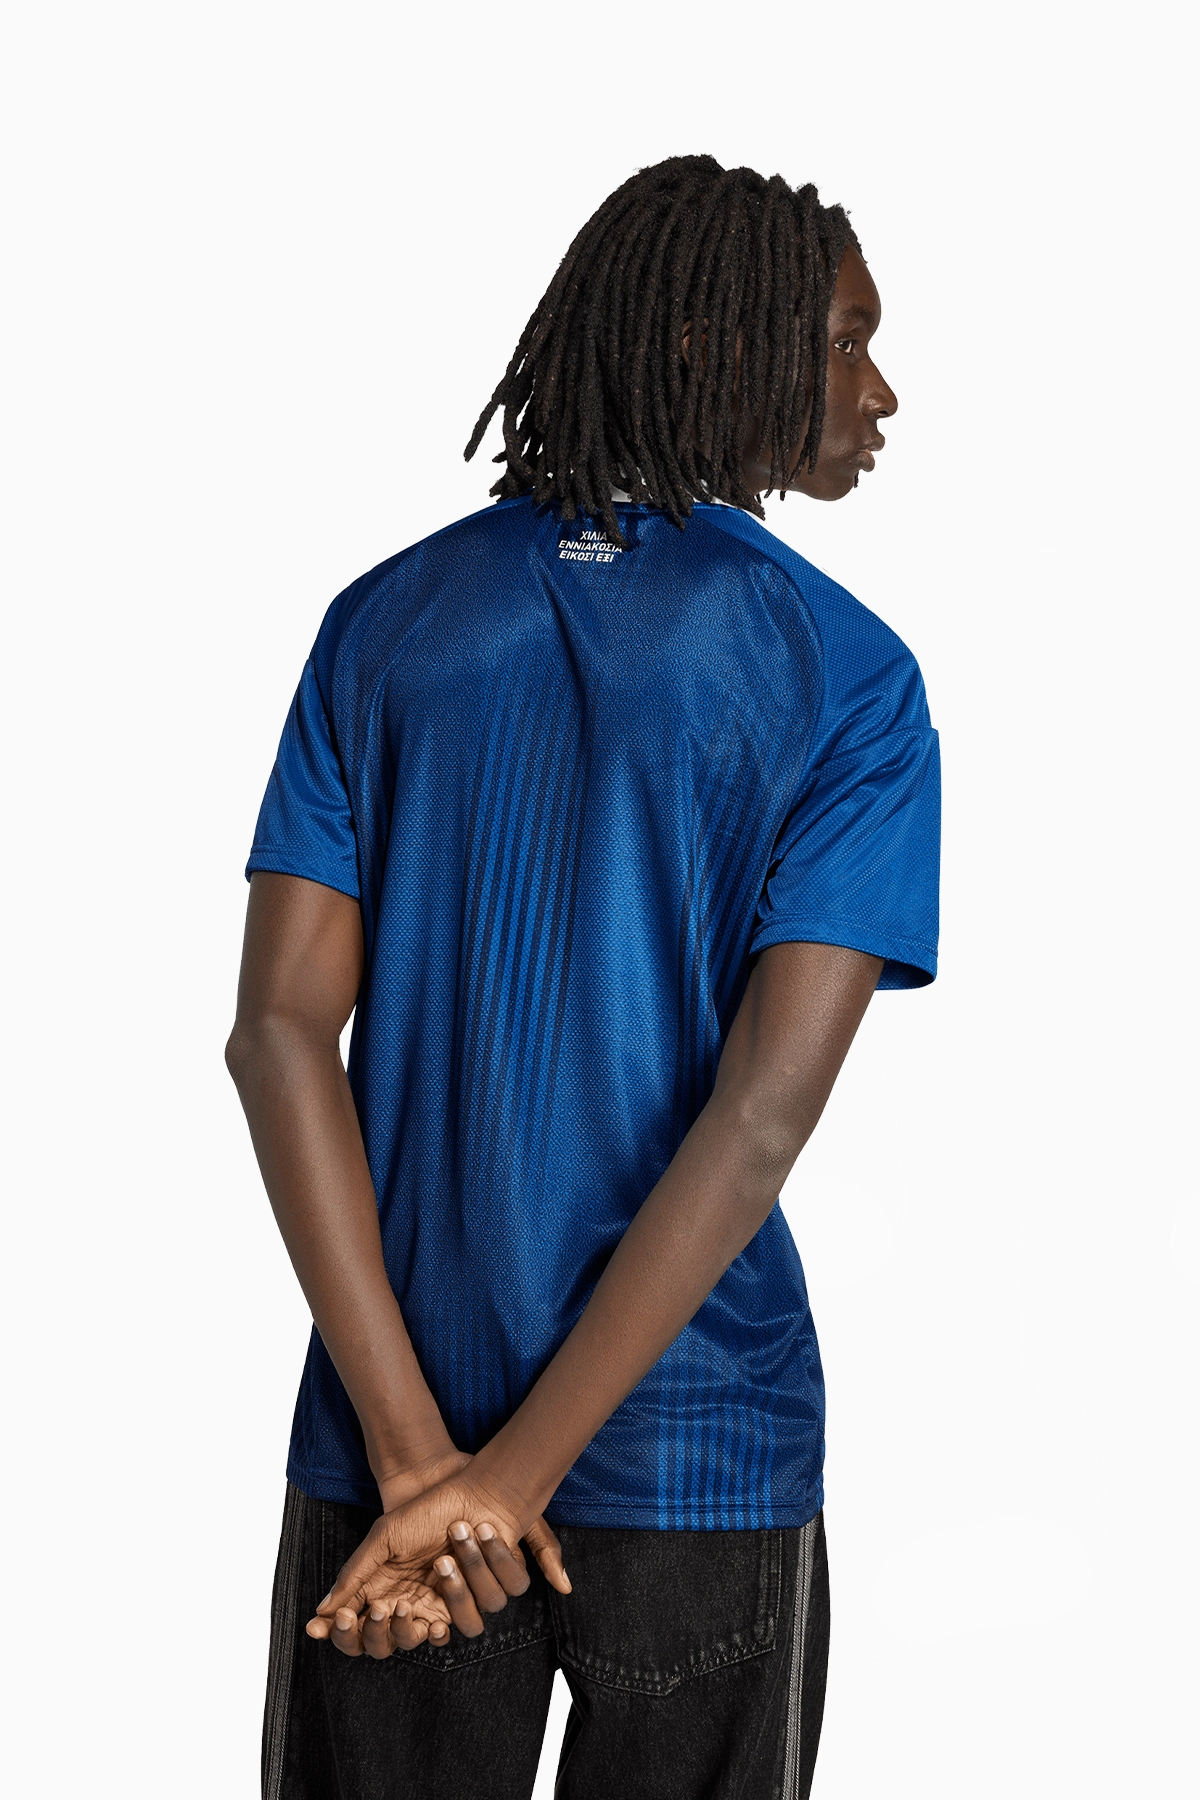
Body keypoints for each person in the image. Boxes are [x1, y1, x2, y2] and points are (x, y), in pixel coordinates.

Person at [227, 154, 940, 1800]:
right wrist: (503, 1484)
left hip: (391, 1461)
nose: (880, 391)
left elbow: (278, 1034)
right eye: (845, 341)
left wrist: (427, 1466)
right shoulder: (848, 676)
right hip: (695, 1453)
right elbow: (759, 1117)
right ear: (711, 346)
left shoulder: (383, 624)